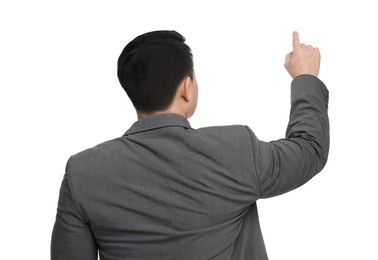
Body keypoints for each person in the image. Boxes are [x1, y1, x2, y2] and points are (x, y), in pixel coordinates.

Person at [51, 30, 329, 260]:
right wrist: (305, 77)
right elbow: (309, 149)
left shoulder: (83, 173)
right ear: (187, 87)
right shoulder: (235, 150)